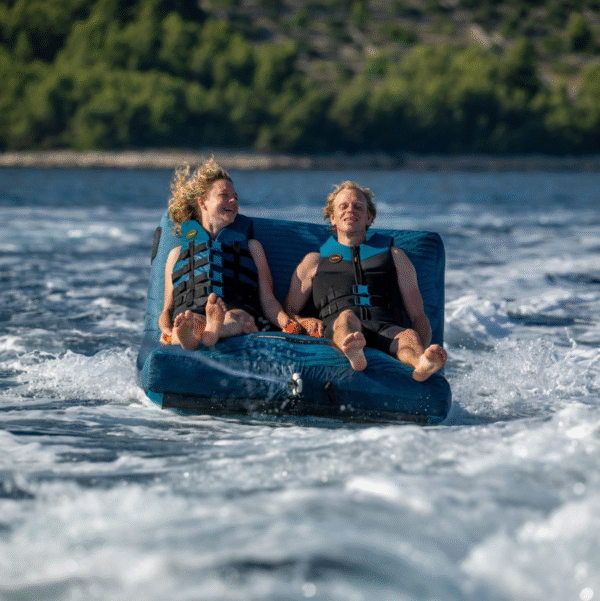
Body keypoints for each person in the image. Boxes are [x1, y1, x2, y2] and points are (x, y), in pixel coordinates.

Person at [284, 181, 447, 381]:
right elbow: (289, 311)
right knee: (346, 318)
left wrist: (421, 344)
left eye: (358, 207)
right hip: (339, 326)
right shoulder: (314, 262)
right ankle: (354, 352)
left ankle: (421, 364)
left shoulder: (395, 256)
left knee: (408, 336)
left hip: (386, 327)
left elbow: (418, 315)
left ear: (369, 217)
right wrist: (304, 321)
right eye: (343, 206)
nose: (350, 210)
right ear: (333, 218)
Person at [159, 158, 293, 349]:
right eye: (224, 195)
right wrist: (166, 329)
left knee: (238, 317)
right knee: (188, 321)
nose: (233, 201)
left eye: (236, 197)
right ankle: (193, 335)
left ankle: (210, 332)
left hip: (238, 314)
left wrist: (286, 322)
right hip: (195, 314)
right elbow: (167, 309)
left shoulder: (252, 247)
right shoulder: (176, 254)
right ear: (203, 202)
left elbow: (268, 300)